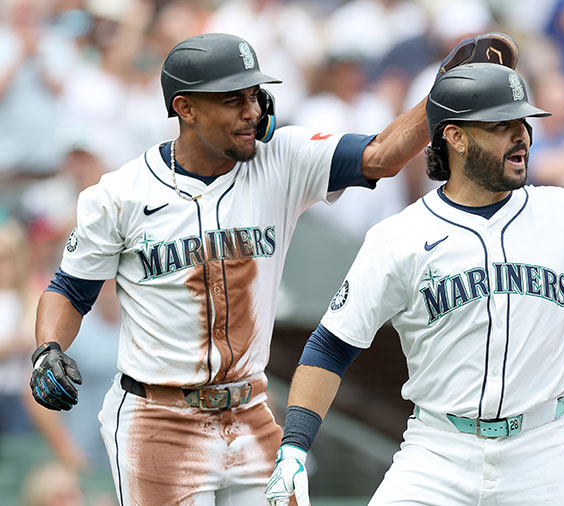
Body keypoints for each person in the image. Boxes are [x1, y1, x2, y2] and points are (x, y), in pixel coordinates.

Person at [24, 30, 484, 505]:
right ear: (185, 108)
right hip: (158, 418)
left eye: (254, 95)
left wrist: (443, 93)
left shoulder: (282, 159)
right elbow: (69, 289)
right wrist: (48, 347)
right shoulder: (120, 195)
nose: (252, 111)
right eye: (232, 99)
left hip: (251, 409)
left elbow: (381, 155)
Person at [264, 62, 564, 506]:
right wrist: (294, 447)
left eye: (522, 122)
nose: (520, 135)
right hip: (439, 450)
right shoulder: (399, 237)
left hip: (542, 452)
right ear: (457, 137)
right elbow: (331, 347)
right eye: (501, 125)